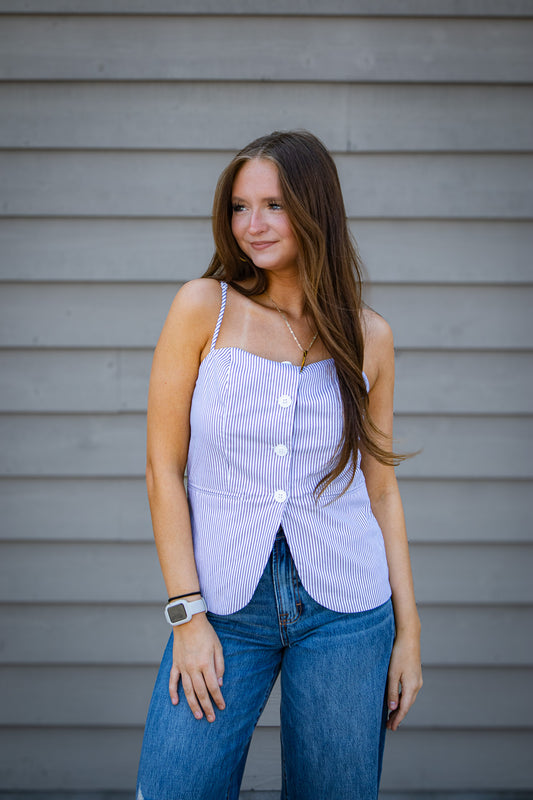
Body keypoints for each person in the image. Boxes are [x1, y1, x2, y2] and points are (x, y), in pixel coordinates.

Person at [136, 130, 422, 800]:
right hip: (223, 606)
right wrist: (188, 616)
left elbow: (379, 489)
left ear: (314, 210)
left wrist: (408, 633)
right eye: (239, 207)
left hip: (348, 613)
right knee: (174, 787)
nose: (252, 226)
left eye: (272, 205)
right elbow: (160, 468)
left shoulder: (367, 335)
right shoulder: (202, 309)